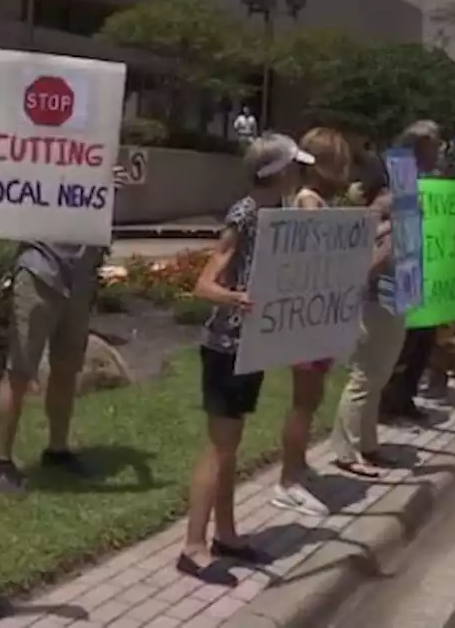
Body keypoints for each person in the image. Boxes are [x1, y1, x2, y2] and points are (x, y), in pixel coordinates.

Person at [178, 133, 313, 586]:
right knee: (219, 447)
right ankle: (193, 547)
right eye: (295, 167)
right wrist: (238, 299)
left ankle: (227, 534)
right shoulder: (247, 214)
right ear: (276, 172)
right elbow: (204, 284)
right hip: (226, 346)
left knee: (230, 446)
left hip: (249, 347)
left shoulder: (277, 215)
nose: (301, 174)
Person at [0, 164, 131, 494]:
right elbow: (3, 177)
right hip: (39, 269)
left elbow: (99, 211)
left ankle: (58, 449)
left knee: (67, 369)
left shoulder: (93, 152)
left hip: (81, 274)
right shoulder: (39, 150)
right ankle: (2, 461)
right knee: (20, 370)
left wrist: (111, 186)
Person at [271, 127, 352, 515]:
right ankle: (287, 480)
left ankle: (297, 465)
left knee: (311, 396)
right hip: (307, 318)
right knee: (303, 400)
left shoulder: (314, 199)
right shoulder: (309, 202)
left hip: (315, 315)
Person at [331, 154, 407, 478]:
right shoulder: (379, 216)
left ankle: (367, 444)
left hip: (392, 300)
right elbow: (368, 263)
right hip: (375, 303)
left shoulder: (392, 215)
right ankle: (347, 450)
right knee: (365, 377)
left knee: (377, 377)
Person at [380, 120, 444, 423]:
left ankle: (406, 398)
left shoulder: (431, 180)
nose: (440, 150)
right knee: (402, 342)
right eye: (435, 145)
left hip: (420, 264)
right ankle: (388, 403)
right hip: (397, 268)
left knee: (423, 337)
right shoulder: (396, 178)